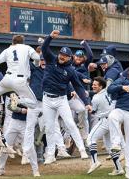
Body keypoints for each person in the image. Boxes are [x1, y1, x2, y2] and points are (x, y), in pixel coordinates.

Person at [41, 30, 92, 164]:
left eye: (65, 55)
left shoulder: (70, 70)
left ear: (70, 58)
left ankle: (82, 150)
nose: (62, 56)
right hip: (46, 98)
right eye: (61, 54)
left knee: (70, 123)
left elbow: (79, 86)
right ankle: (50, 154)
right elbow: (44, 48)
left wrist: (86, 102)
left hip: (61, 99)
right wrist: (50, 37)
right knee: (50, 127)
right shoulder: (51, 59)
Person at [86, 77, 123, 175]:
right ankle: (119, 168)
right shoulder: (107, 91)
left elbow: (93, 112)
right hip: (112, 120)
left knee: (90, 139)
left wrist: (89, 108)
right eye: (93, 84)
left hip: (105, 121)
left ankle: (95, 162)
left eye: (95, 85)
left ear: (101, 86)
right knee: (109, 146)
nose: (93, 86)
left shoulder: (96, 98)